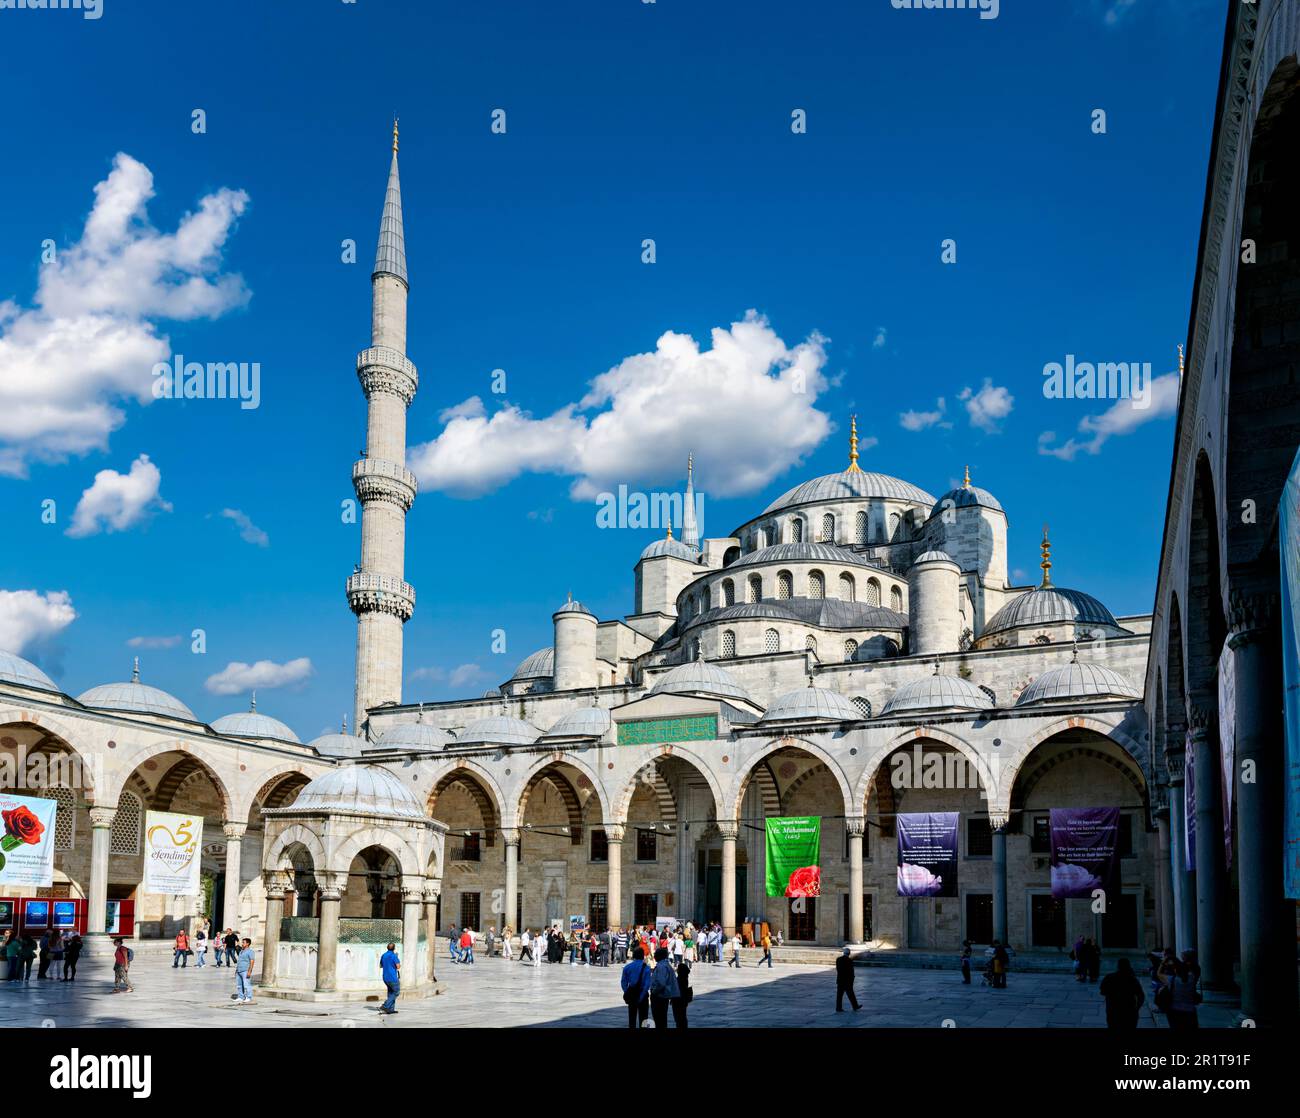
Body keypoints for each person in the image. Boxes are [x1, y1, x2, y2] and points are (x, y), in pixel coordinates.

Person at [1099, 958, 1145, 1029]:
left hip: (1113, 1011)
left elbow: (1102, 992)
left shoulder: (1109, 977)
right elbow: (1141, 996)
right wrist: (1137, 1008)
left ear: (1118, 966)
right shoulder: (1132, 979)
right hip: (1129, 1011)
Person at [648, 947, 681, 1029]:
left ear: (659, 956)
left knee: (659, 1018)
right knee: (662, 1019)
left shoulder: (661, 966)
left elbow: (661, 983)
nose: (654, 956)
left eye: (655, 954)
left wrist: (654, 992)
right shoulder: (666, 965)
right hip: (663, 995)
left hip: (660, 996)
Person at [621, 946, 652, 1029]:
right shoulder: (647, 968)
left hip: (632, 993)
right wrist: (641, 996)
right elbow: (647, 985)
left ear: (634, 955)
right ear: (643, 956)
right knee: (644, 1019)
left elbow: (623, 982)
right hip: (643, 994)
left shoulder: (627, 967)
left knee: (632, 1018)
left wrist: (627, 991)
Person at [835, 947, 861, 1012]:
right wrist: (852, 979)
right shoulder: (849, 961)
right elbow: (851, 972)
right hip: (847, 981)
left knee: (839, 995)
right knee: (851, 994)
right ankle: (855, 1006)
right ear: (849, 953)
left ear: (843, 953)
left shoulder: (838, 959)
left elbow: (838, 969)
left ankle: (838, 1008)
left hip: (840, 980)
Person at [379, 941, 401, 1014]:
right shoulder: (394, 956)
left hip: (385, 977)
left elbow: (381, 966)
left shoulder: (383, 955)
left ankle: (390, 1009)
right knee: (396, 992)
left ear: (387, 948)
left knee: (391, 992)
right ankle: (385, 1005)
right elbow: (398, 966)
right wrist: (396, 958)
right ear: (394, 948)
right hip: (392, 978)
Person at [672, 956, 692, 1028]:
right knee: (682, 1017)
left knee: (679, 1018)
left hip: (678, 1001)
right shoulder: (684, 978)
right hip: (682, 1001)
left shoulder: (680, 979)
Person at [234, 937, 255, 1003]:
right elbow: (239, 961)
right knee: (239, 985)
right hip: (239, 970)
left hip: (245, 970)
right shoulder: (241, 951)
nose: (242, 944)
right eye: (242, 942)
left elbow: (252, 962)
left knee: (246, 985)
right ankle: (241, 997)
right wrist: (236, 970)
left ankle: (248, 997)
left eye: (243, 942)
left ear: (248, 944)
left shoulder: (250, 952)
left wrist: (249, 971)